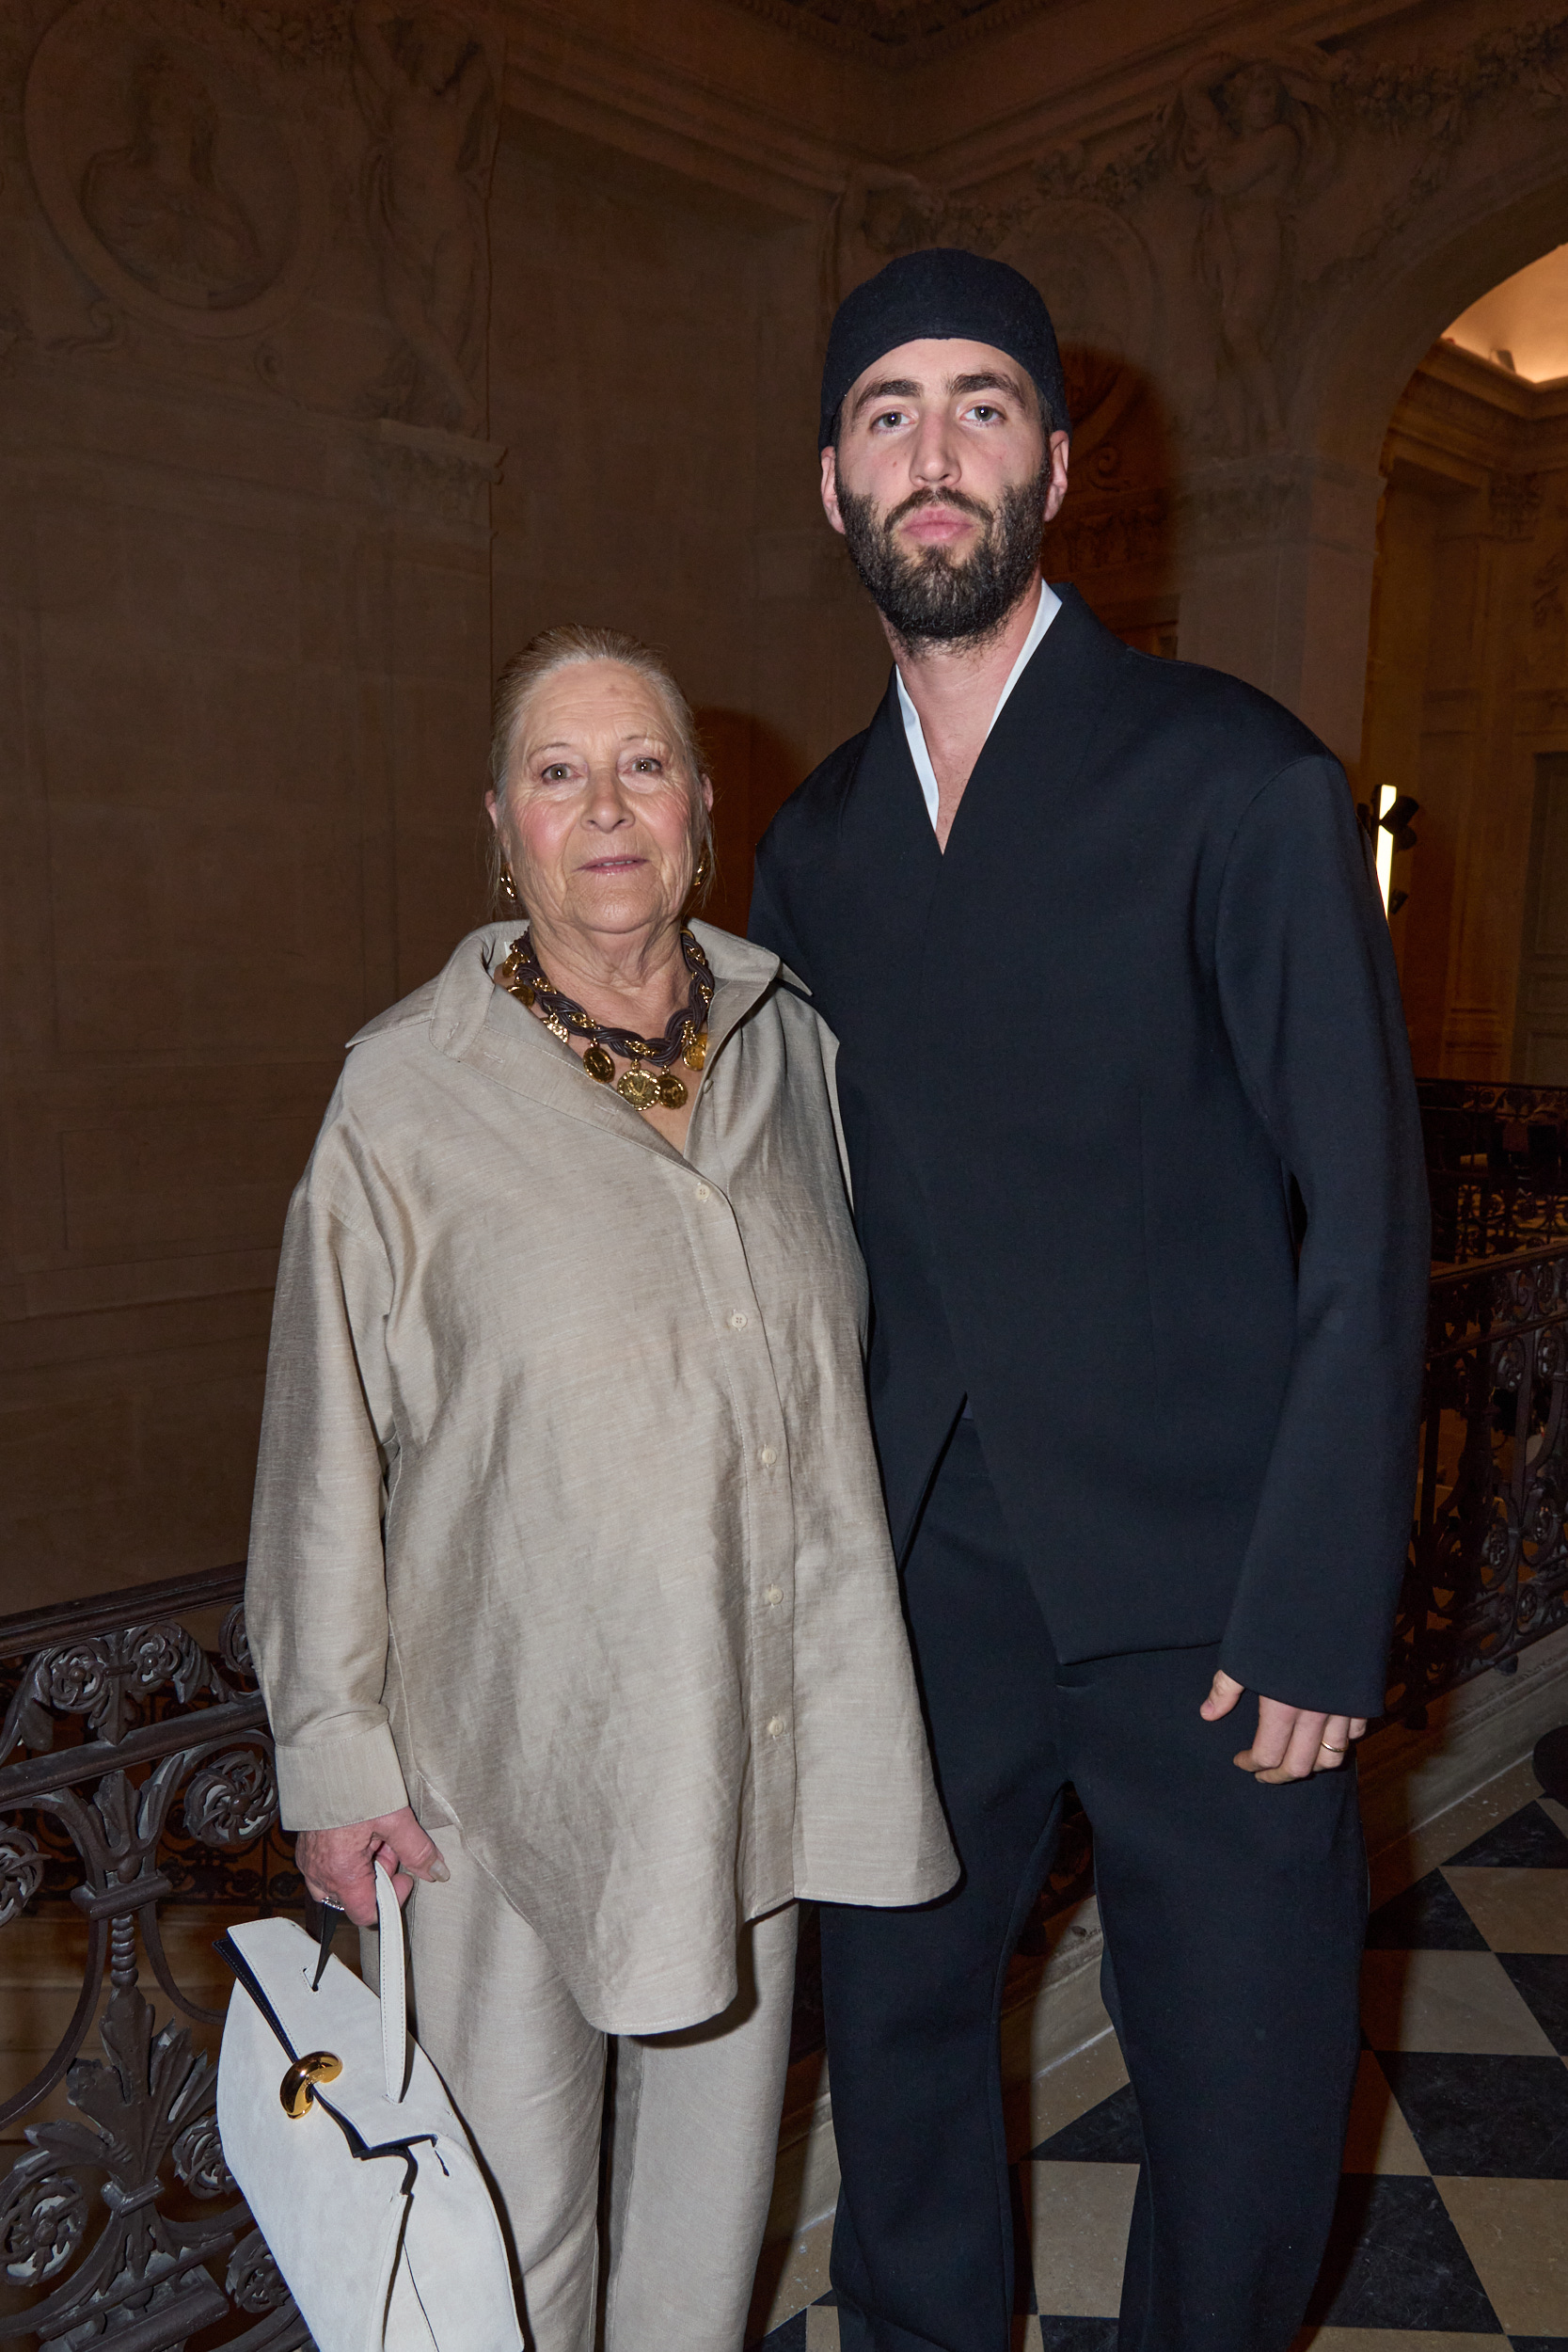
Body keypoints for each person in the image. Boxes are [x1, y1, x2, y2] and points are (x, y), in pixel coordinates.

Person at [748, 249, 1429, 2352]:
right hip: (929, 1581)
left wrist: (1320, 1599)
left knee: (1236, 2096)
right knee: (909, 2049)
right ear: (833, 485)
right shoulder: (820, 847)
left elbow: (1370, 1218)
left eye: (977, 406)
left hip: (1214, 1585)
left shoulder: (1241, 779)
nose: (931, 453)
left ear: (1054, 456)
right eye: (888, 413)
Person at [245, 624, 955, 2352]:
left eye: (642, 765)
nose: (605, 808)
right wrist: (336, 1759)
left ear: (704, 811)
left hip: (746, 1738)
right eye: (558, 775)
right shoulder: (403, 1096)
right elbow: (319, 1447)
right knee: (509, 2212)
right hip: (509, 1766)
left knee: (709, 2214)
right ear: (501, 825)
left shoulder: (797, 1052)